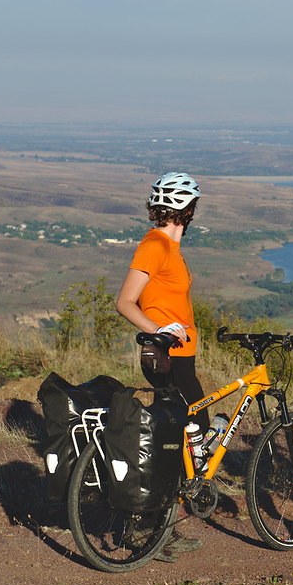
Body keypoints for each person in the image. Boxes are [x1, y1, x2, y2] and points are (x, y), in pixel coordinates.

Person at [116, 171, 205, 562]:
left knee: (185, 433)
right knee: (188, 431)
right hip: (165, 356)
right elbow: (125, 302)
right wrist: (158, 329)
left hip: (181, 356)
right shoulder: (154, 245)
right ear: (188, 209)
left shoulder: (170, 246)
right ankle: (145, 527)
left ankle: (161, 525)